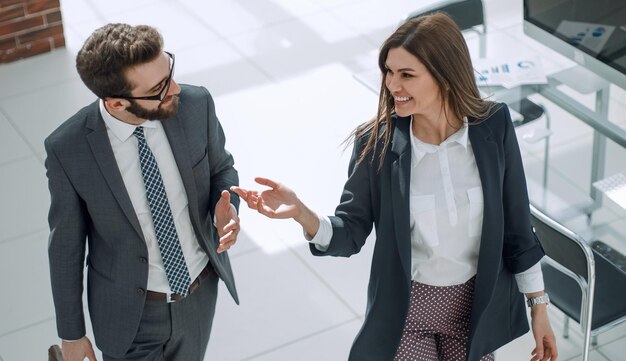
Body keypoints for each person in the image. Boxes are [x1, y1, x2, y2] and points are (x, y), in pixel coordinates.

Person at [233, 13, 558, 361]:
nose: (392, 85)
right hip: (407, 313)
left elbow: (517, 229)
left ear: (444, 76)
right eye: (389, 72)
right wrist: (304, 214)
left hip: (475, 309)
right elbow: (351, 231)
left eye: (406, 75)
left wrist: (538, 307)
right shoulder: (377, 144)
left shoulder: (493, 126)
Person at [45, 23, 241, 361]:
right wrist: (72, 335)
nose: (176, 88)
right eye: (160, 88)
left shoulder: (196, 105)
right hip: (129, 314)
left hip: (198, 296)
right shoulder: (69, 149)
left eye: (170, 71)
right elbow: (66, 248)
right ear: (117, 103)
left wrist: (227, 205)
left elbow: (222, 168)